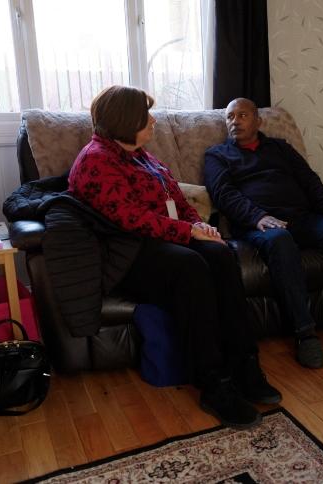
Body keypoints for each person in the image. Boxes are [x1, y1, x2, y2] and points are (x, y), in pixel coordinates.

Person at [68, 85, 280, 429]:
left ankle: (244, 363)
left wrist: (199, 226)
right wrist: (187, 232)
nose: (153, 121)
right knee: (190, 267)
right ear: (124, 121)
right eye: (144, 116)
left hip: (163, 241)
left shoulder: (141, 154)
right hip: (128, 253)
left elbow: (177, 200)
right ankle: (214, 384)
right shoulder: (95, 160)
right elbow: (129, 218)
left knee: (222, 255)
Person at [204, 98, 323, 369]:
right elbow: (224, 195)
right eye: (230, 117)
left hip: (303, 218)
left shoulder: (280, 148)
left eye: (242, 115)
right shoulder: (217, 155)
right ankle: (304, 333)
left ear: (258, 121)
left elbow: (309, 180)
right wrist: (258, 217)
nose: (235, 121)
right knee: (280, 239)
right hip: (259, 226)